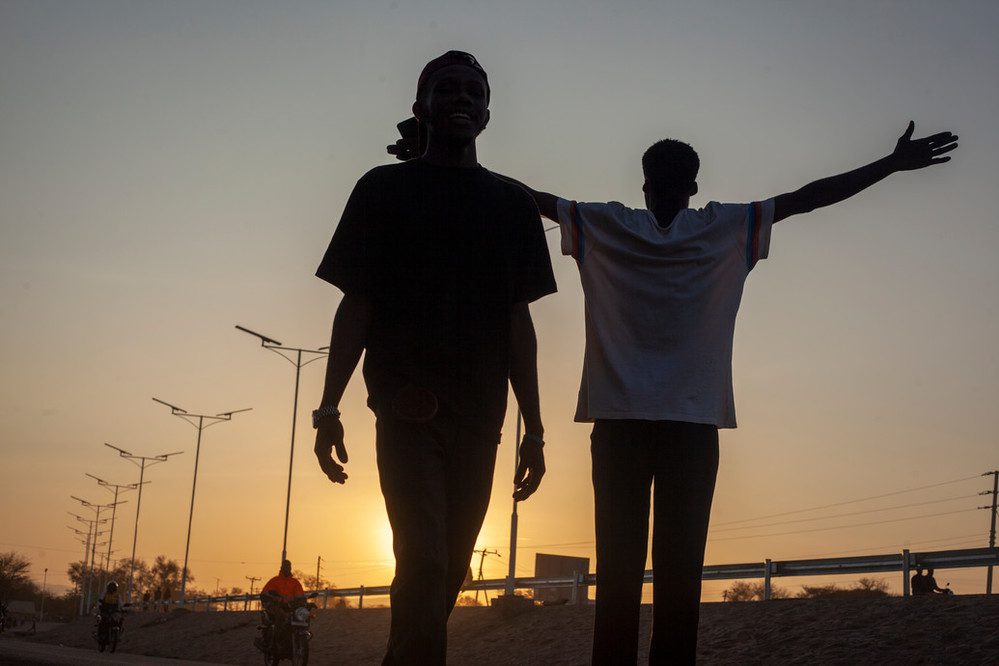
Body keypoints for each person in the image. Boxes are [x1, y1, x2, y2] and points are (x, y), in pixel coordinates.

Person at [500, 121, 957, 664]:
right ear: (694, 186)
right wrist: (889, 164)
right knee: (680, 578)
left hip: (618, 423)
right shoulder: (726, 226)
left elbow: (524, 198)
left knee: (617, 577)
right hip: (693, 429)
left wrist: (442, 158)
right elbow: (807, 199)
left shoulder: (604, 223)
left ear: (643, 184)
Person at [313, 50, 556, 664]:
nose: (461, 99)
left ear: (488, 115)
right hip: (406, 408)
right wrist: (327, 408)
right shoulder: (382, 189)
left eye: (474, 92)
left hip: (482, 416)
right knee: (422, 558)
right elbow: (356, 306)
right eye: (446, 89)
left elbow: (517, 324)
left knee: (447, 570)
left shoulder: (512, 204)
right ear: (420, 107)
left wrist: (535, 429)